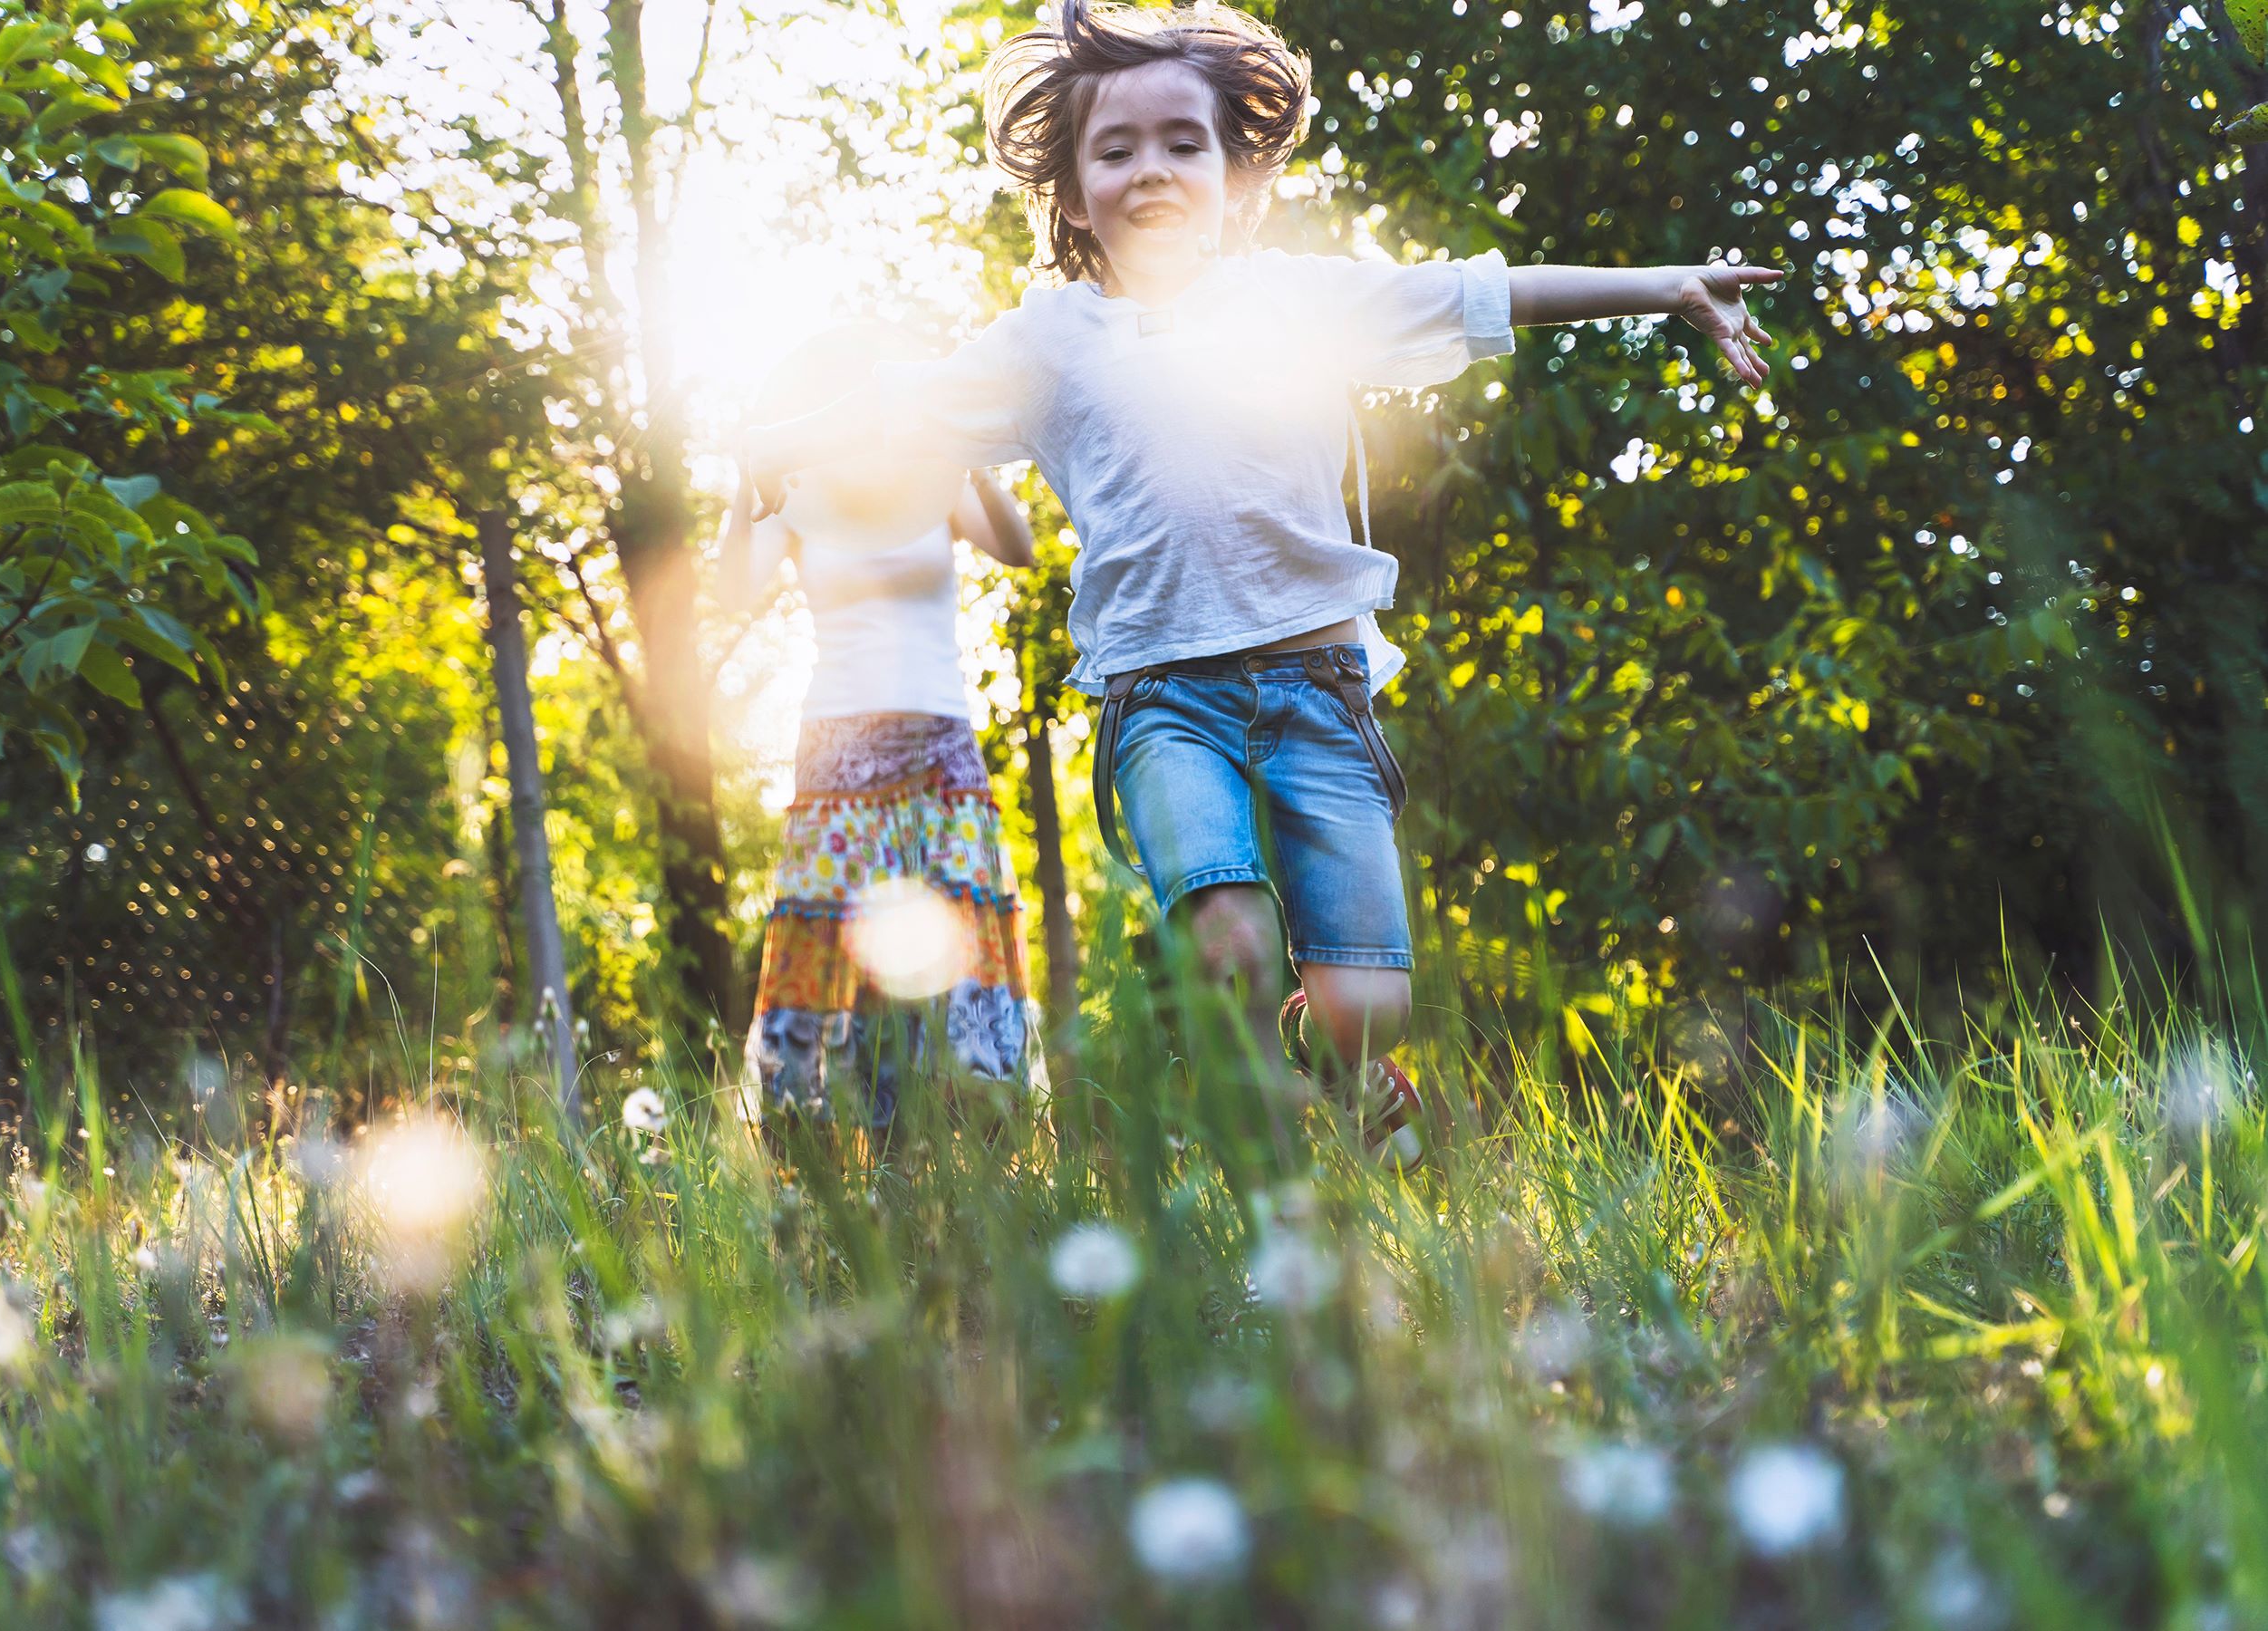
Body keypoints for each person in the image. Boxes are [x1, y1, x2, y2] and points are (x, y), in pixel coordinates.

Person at [745, 2, 1784, 1161]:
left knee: (1370, 1008)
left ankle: (1329, 1055)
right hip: (1163, 700)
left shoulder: (1299, 304)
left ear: (1236, 175)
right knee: (1230, 942)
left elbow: (1480, 295)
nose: (1151, 171)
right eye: (1116, 149)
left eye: (1182, 143)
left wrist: (1667, 284)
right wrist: (781, 438)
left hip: (1319, 687)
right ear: (1074, 189)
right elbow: (902, 399)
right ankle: (1256, 1166)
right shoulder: (1048, 344)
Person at [723, 324, 1042, 1142]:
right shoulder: (795, 494)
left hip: (941, 742)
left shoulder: (930, 483)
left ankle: (963, 1156)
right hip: (837, 751)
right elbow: (732, 594)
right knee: (850, 958)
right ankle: (856, 1166)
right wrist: (744, 477)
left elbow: (1020, 548)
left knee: (954, 946)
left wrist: (959, 448)